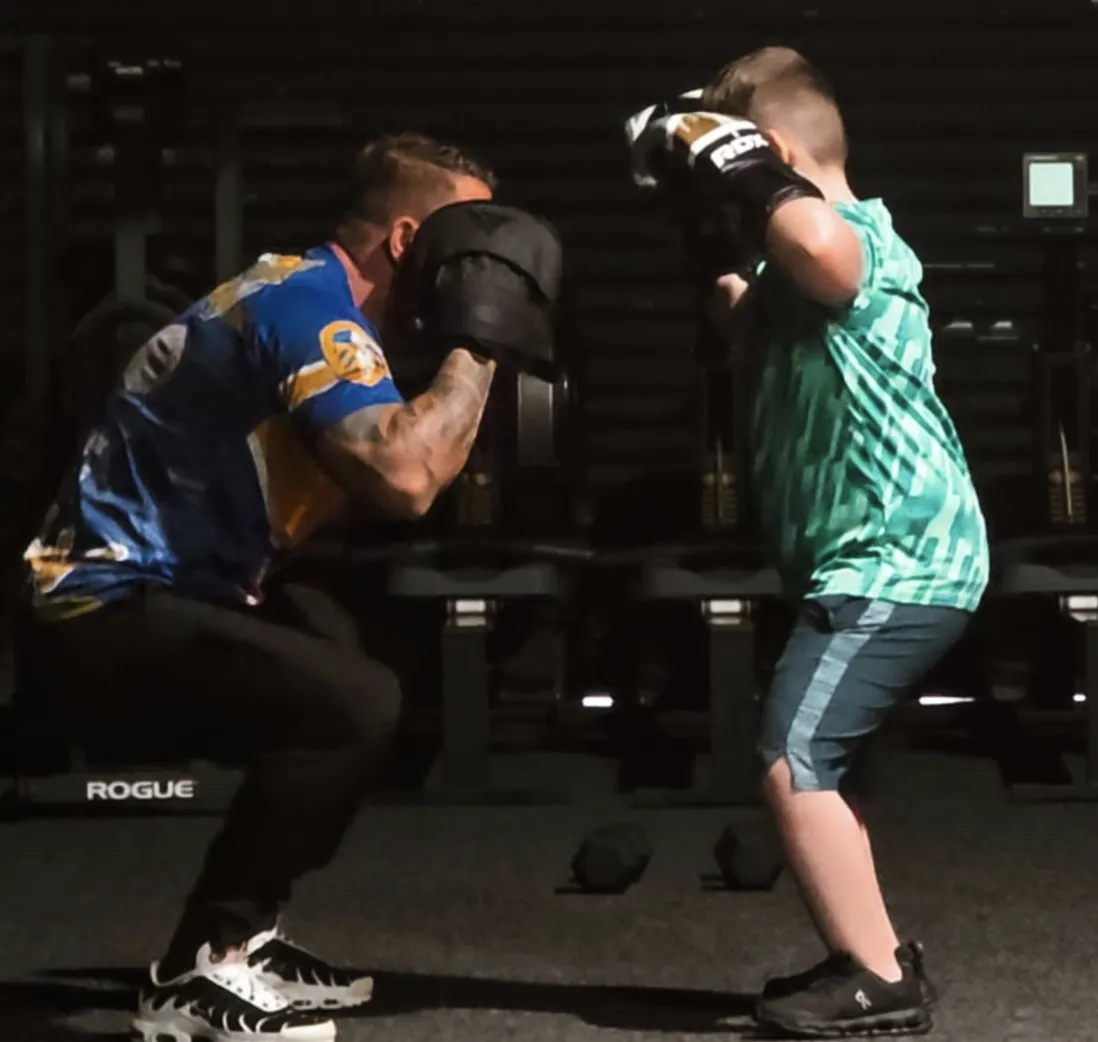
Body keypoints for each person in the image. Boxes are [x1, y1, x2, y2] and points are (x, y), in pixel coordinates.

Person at [21, 131, 560, 1042]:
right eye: (467, 239)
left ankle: (253, 933)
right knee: (353, 701)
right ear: (405, 240)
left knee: (350, 652)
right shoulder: (313, 309)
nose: (479, 261)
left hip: (169, 598)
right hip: (94, 611)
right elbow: (406, 480)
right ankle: (198, 969)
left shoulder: (301, 293)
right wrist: (481, 344)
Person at [627, 48, 989, 1038]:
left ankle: (878, 982)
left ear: (773, 153)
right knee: (833, 765)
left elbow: (820, 248)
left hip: (897, 555)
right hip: (873, 558)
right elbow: (738, 309)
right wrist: (699, 215)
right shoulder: (781, 276)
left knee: (794, 756)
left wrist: (746, 169)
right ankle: (874, 950)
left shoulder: (861, 239)